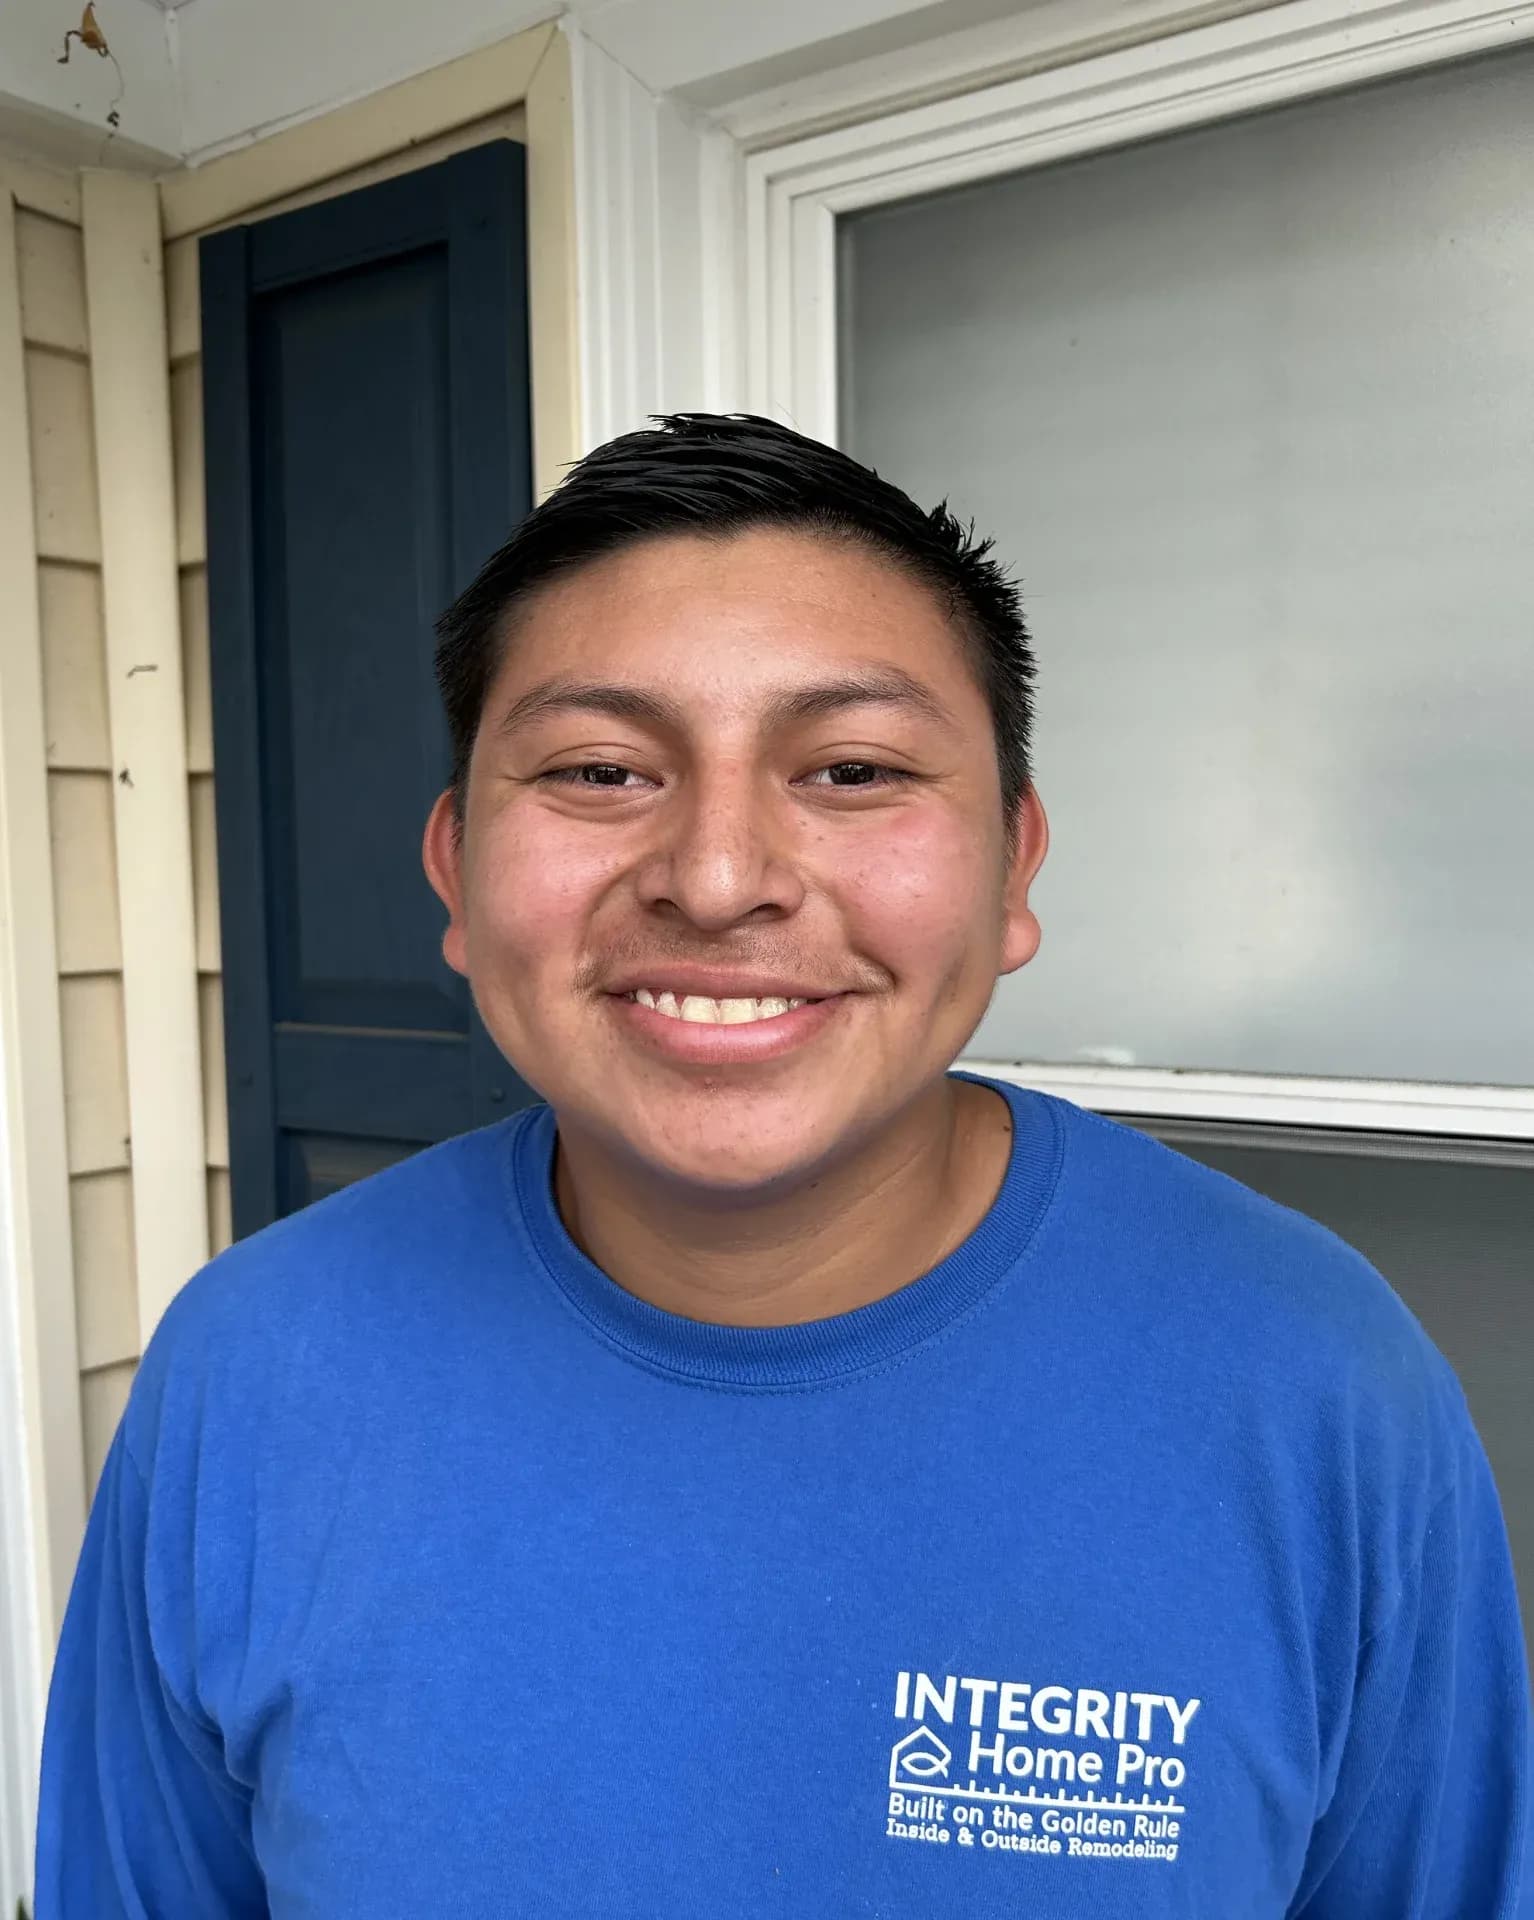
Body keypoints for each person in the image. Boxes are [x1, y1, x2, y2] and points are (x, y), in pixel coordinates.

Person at [34, 414, 1531, 1917]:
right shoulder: (255, 1367)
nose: (719, 876)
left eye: (853, 767)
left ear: (1014, 868)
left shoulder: (1309, 1383)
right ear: (455, 873)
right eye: (603, 770)